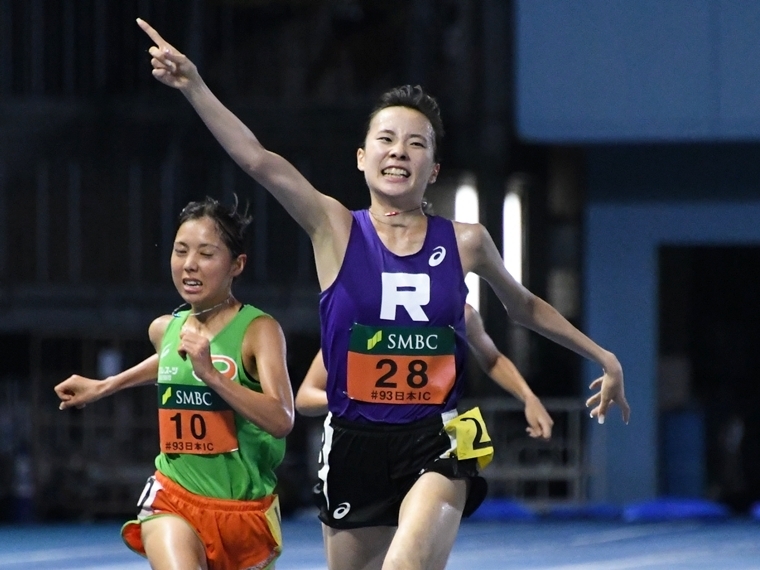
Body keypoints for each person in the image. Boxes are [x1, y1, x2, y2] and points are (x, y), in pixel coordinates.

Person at [137, 17, 629, 570]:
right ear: (362, 158)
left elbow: (524, 305)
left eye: (415, 143)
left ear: (433, 167)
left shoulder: (466, 242)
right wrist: (194, 86)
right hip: (353, 445)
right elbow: (257, 159)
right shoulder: (334, 229)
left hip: (434, 440)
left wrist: (603, 356)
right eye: (386, 140)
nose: (399, 151)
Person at [54, 197, 294, 570]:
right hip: (175, 496)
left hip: (243, 511)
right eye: (180, 251)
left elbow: (281, 419)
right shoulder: (166, 329)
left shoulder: (259, 331)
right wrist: (105, 386)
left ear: (237, 265)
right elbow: (167, 361)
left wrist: (212, 375)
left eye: (206, 254)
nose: (189, 265)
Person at [296, 303, 554, 442]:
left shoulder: (461, 314)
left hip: (439, 437)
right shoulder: (357, 320)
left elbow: (493, 358)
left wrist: (530, 398)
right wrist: (359, 400)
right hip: (365, 443)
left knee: (425, 534)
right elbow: (305, 398)